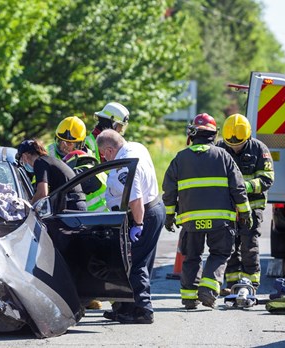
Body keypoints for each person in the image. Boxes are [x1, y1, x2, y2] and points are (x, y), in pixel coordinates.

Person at [162, 113, 251, 309]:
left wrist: (169, 215)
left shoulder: (180, 158)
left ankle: (189, 297)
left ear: (192, 134)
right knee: (219, 253)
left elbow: (169, 190)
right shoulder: (224, 156)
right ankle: (208, 289)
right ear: (214, 135)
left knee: (191, 256)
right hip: (221, 220)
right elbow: (238, 188)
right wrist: (245, 212)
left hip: (191, 221)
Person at [96, 129, 165, 324]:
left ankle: (143, 310)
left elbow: (136, 199)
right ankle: (126, 308)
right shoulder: (135, 147)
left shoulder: (123, 168)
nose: (104, 158)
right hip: (153, 208)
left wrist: (138, 224)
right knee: (136, 262)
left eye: (103, 154)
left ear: (110, 150)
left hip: (142, 214)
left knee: (135, 263)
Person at [216, 114, 274, 292]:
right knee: (230, 245)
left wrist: (243, 187)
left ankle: (251, 283)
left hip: (252, 206)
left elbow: (267, 177)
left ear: (247, 136)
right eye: (231, 145)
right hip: (228, 208)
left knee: (249, 245)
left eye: (239, 145)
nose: (235, 148)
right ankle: (232, 283)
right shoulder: (219, 147)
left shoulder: (259, 149)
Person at [16, 139, 87, 211]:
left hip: (71, 205)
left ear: (25, 156)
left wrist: (28, 208)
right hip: (76, 203)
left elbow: (42, 193)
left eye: (21, 161)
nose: (23, 163)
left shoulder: (39, 162)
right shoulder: (48, 160)